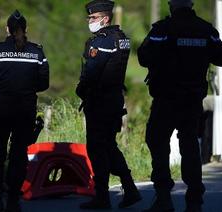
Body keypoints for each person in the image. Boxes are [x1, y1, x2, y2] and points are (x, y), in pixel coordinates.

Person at [138, 0, 222, 211]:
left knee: (157, 140)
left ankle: (163, 197)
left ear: (172, 6)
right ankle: (194, 198)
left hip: (166, 99)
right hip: (192, 100)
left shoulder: (162, 29)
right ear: (191, 4)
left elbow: (143, 57)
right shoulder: (206, 29)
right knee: (190, 146)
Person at [0, 10, 49, 212]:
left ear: (7, 29)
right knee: (19, 156)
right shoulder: (37, 53)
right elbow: (43, 83)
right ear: (25, 30)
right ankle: (13, 200)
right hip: (25, 111)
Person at [76, 0, 142, 209]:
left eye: (93, 18)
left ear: (105, 18)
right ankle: (129, 188)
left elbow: (92, 72)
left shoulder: (101, 41)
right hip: (114, 99)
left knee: (97, 147)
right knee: (108, 146)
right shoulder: (121, 38)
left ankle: (103, 197)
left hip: (100, 101)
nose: (90, 21)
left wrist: (82, 89)